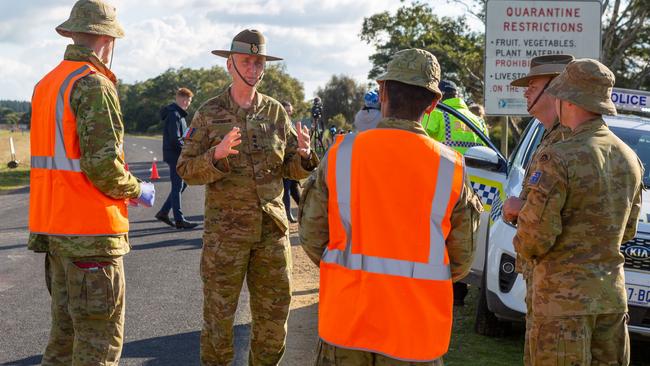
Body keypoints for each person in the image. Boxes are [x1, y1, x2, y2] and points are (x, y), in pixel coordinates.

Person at [300, 48, 483, 366]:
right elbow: (461, 259)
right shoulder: (450, 167)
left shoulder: (342, 154)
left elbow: (313, 238)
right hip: (414, 337)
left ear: (382, 90)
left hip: (347, 329)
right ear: (433, 104)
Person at [176, 29, 319, 365]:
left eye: (259, 62)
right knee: (218, 323)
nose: (254, 68)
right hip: (225, 238)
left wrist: (304, 155)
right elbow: (185, 169)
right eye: (246, 61)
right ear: (230, 64)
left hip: (271, 234)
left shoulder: (274, 113)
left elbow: (290, 170)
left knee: (273, 322)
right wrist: (216, 155)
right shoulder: (208, 113)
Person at [27, 1, 155, 364]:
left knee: (63, 342)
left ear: (73, 32)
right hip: (92, 238)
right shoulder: (93, 84)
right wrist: (138, 190)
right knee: (98, 345)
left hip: (56, 233)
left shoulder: (47, 84)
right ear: (107, 38)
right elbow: (103, 167)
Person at [514, 59, 643, 365]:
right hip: (610, 300)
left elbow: (534, 237)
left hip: (562, 305)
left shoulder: (559, 156)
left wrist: (519, 227)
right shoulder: (629, 157)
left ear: (567, 99)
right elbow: (628, 231)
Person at [500, 54, 574, 364]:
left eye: (533, 85)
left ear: (556, 90)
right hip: (552, 287)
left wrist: (520, 210)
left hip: (561, 292)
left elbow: (541, 230)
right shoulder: (549, 138)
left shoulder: (565, 146)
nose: (526, 92)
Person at [155, 87, 198, 229]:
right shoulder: (174, 114)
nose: (188, 104)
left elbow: (181, 136)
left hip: (176, 154)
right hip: (175, 155)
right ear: (182, 99)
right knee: (177, 185)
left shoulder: (179, 115)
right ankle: (179, 219)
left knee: (182, 184)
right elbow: (175, 139)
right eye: (188, 101)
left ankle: (164, 212)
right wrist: (187, 151)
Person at [421, 79, 489, 154]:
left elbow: (420, 141)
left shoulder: (436, 114)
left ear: (439, 96)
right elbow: (487, 151)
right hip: (474, 165)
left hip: (444, 165)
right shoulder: (479, 121)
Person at [281, 100, 301, 223]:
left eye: (290, 111)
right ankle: (287, 213)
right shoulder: (279, 124)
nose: (288, 113)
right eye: (286, 110)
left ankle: (304, 210)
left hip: (295, 161)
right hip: (285, 162)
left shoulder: (291, 124)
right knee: (287, 189)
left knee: (294, 188)